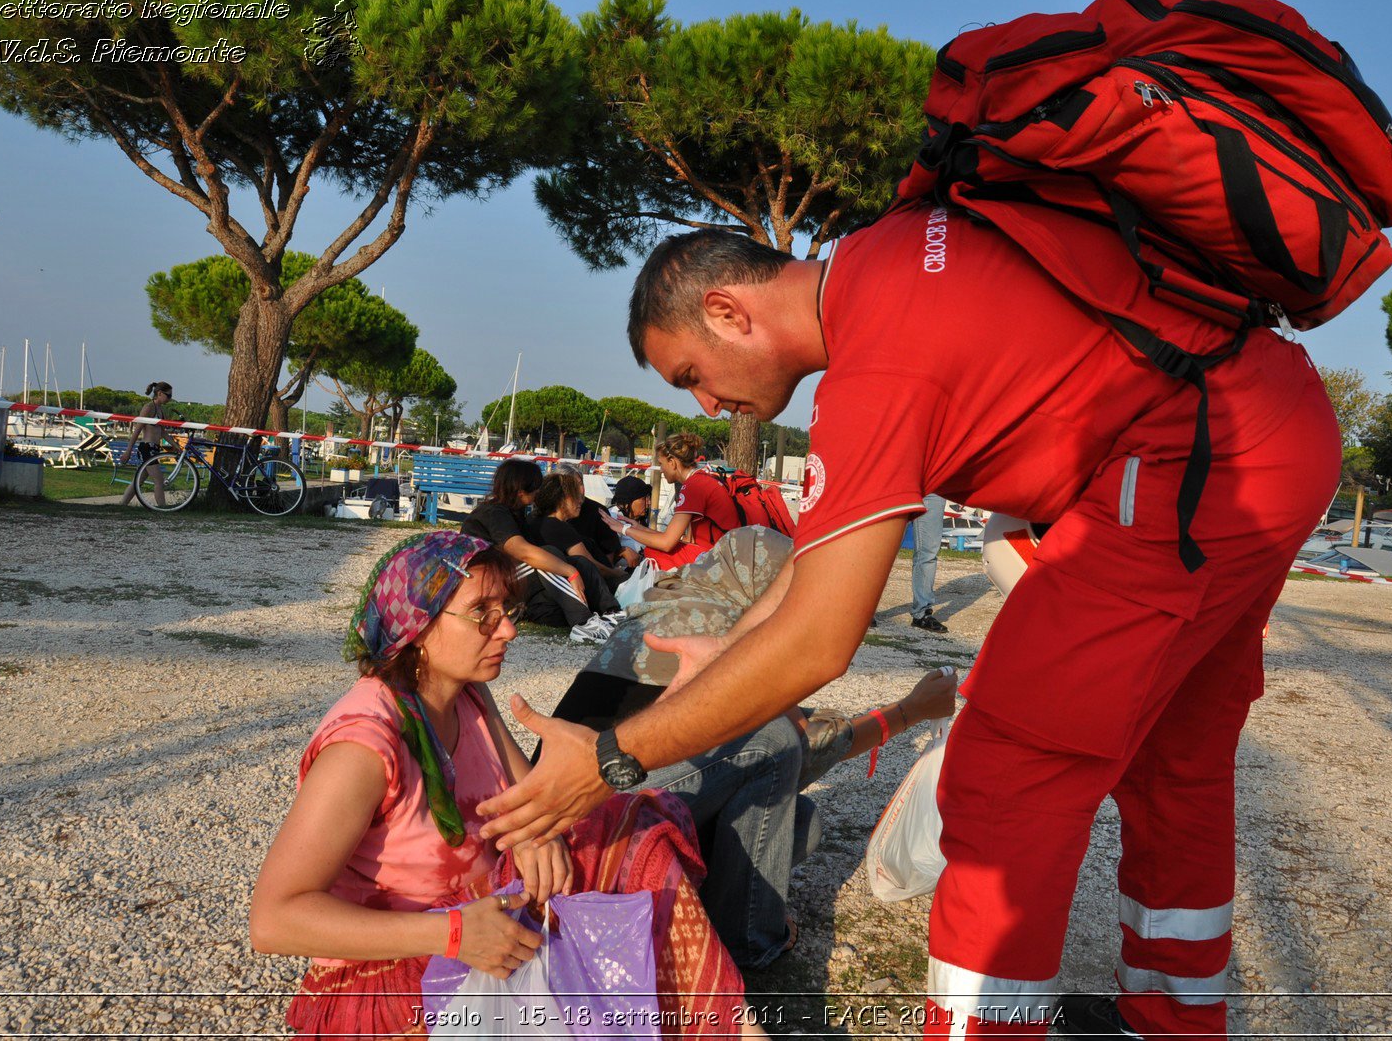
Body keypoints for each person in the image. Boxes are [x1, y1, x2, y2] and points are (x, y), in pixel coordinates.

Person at [475, 207, 1340, 1039]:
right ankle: (1172, 1019)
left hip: (1189, 462)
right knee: (1175, 762)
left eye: (690, 375)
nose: (706, 406)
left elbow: (819, 639)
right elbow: (822, 555)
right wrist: (729, 651)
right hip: (1266, 425)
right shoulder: (887, 260)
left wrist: (615, 759)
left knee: (1008, 776)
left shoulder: (874, 367)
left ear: (728, 311)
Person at [249, 530, 765, 1039]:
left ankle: (723, 1024)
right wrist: (451, 934)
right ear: (416, 625)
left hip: (480, 913)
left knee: (620, 824)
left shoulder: (466, 696)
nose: (508, 632)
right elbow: (274, 919)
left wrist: (535, 835)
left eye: (507, 611)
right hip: (391, 970)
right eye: (482, 614)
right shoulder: (362, 749)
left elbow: (528, 801)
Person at [542, 526, 960, 967]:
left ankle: (694, 905)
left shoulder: (674, 607)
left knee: (802, 822)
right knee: (777, 752)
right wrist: (908, 711)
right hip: (595, 832)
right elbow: (800, 747)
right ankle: (747, 941)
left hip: (587, 817)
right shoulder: (722, 632)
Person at [458, 459, 620, 639]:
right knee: (548, 556)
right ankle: (583, 623)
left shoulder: (515, 513)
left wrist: (572, 567)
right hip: (489, 580)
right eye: (535, 487)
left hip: (511, 577)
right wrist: (570, 571)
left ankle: (611, 612)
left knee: (577, 562)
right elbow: (522, 551)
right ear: (520, 490)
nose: (538, 491)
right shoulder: (494, 512)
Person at [608, 433, 739, 570]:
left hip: (717, 560)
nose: (661, 469)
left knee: (653, 553)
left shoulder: (693, 487)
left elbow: (667, 543)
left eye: (661, 463)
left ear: (672, 462)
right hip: (722, 554)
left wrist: (623, 529)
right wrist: (640, 528)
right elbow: (681, 540)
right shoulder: (702, 479)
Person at [527, 471, 627, 587]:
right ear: (561, 499)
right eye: (575, 496)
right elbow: (590, 565)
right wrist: (617, 573)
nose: (580, 500)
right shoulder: (559, 528)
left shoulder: (533, 519)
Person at [551, 461, 625, 568]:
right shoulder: (547, 516)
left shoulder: (598, 512)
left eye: (581, 483)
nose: (580, 490)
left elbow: (608, 555)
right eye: (574, 485)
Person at [118, 381, 179, 508]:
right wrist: (128, 451)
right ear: (159, 393)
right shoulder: (149, 407)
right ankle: (162, 507)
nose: (170, 398)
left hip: (154, 448)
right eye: (168, 395)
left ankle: (122, 505)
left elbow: (162, 432)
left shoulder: (160, 410)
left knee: (138, 481)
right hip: (147, 448)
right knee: (158, 480)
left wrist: (175, 445)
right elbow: (137, 430)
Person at [910, 494, 948, 633]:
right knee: (884, 551)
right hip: (898, 481)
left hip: (933, 488)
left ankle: (922, 613)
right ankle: (866, 609)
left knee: (929, 552)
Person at [608, 473, 653, 568]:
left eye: (648, 498)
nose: (648, 502)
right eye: (643, 498)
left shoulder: (639, 519)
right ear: (628, 502)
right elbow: (602, 558)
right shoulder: (612, 518)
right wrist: (622, 552)